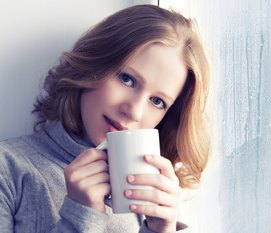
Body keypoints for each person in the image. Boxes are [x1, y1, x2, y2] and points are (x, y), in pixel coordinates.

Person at [0, 4, 210, 233]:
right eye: (127, 79)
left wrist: (160, 230)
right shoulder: (8, 169)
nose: (134, 111)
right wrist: (80, 216)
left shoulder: (145, 194)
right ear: (93, 63)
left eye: (157, 101)